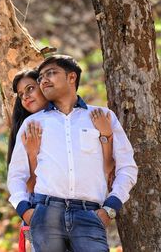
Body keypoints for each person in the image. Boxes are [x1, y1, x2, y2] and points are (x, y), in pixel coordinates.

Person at [7, 55, 138, 252]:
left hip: (90, 215)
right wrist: (26, 211)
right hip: (46, 215)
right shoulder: (33, 124)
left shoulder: (102, 117)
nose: (44, 80)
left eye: (50, 73)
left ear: (71, 77)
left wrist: (109, 209)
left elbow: (127, 167)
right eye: (41, 77)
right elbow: (16, 175)